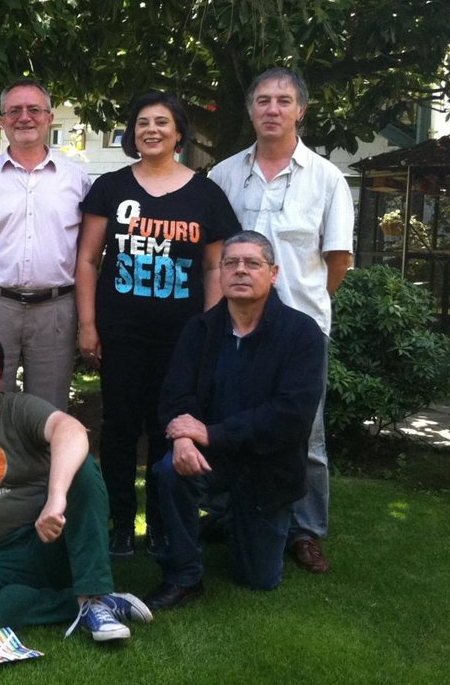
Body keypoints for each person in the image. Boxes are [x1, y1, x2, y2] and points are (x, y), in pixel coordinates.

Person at [0, 326, 153, 643]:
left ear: (1, 375)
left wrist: (56, 499)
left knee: (83, 468)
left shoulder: (20, 408)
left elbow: (72, 430)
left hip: (52, 538)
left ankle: (92, 592)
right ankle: (88, 605)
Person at [76, 91, 239, 559]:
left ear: (179, 132)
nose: (151, 130)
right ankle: (121, 523)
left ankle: (164, 525)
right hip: (121, 332)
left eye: (162, 122)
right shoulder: (110, 187)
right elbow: (87, 260)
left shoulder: (206, 194)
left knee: (169, 427)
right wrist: (88, 325)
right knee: (120, 427)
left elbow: (214, 267)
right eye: (143, 122)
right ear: (132, 133)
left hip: (181, 337)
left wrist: (209, 328)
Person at [207, 68, 354, 574]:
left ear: (300, 110)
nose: (273, 109)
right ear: (250, 110)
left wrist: (303, 313)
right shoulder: (224, 175)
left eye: (284, 101)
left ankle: (306, 530)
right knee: (229, 420)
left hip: (299, 332)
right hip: (233, 326)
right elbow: (213, 254)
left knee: (305, 435)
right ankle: (227, 513)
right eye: (263, 100)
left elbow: (338, 259)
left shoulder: (327, 179)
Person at [145, 231, 326, 607]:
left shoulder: (302, 334)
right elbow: (175, 396)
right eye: (231, 263)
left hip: (268, 466)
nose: (240, 270)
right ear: (221, 273)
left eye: (252, 263)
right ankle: (184, 575)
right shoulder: (200, 330)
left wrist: (210, 433)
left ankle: (230, 520)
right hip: (211, 458)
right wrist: (183, 438)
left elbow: (291, 417)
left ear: (273, 274)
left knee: (258, 578)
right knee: (169, 470)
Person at [0, 80, 91, 410]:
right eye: (14, 111)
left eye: (34, 109)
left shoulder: (77, 180)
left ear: (49, 118)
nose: (24, 117)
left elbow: (86, 253)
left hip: (55, 309)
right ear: (1, 121)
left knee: (49, 408)